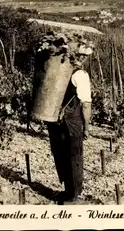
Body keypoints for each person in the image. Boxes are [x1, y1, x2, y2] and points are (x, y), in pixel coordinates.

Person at [47, 52, 92, 205]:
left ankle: (67, 191)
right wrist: (86, 127)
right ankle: (74, 195)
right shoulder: (80, 75)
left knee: (61, 153)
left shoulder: (58, 68)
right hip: (72, 120)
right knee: (75, 156)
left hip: (54, 118)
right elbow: (86, 104)